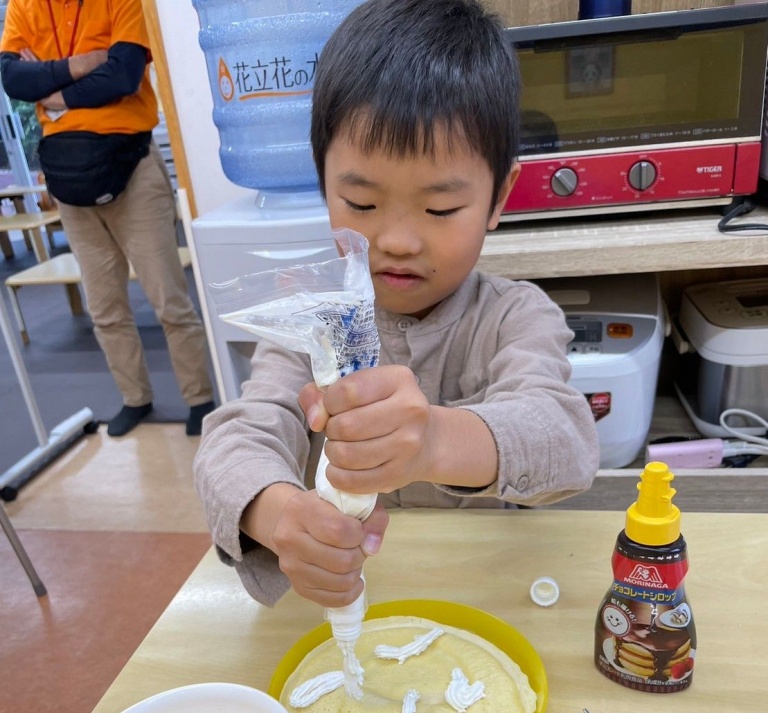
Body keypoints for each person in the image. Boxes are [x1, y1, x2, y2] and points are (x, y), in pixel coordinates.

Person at [193, 0, 599, 610]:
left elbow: (565, 440)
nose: (399, 241)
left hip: (482, 593)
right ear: (324, 183)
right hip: (348, 601)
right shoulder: (314, 321)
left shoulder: (516, 315)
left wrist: (435, 441)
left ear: (498, 197)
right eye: (361, 203)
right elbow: (236, 441)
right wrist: (281, 516)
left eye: (440, 209)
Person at [0, 0, 216, 437]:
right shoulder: (24, 7)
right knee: (103, 306)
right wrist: (83, 64)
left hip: (131, 165)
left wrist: (54, 88)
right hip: (69, 177)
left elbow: (123, 75)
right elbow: (13, 79)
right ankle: (135, 397)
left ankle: (200, 399)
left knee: (169, 298)